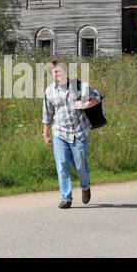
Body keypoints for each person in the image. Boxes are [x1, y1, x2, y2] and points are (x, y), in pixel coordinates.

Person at [41, 57, 101, 209]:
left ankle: (85, 186)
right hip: (60, 133)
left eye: (59, 71)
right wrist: (46, 134)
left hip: (78, 132)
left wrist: (87, 103)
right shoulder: (49, 92)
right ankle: (66, 197)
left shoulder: (79, 86)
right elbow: (47, 115)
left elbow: (97, 97)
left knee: (81, 166)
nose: (57, 74)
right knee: (62, 165)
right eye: (54, 72)